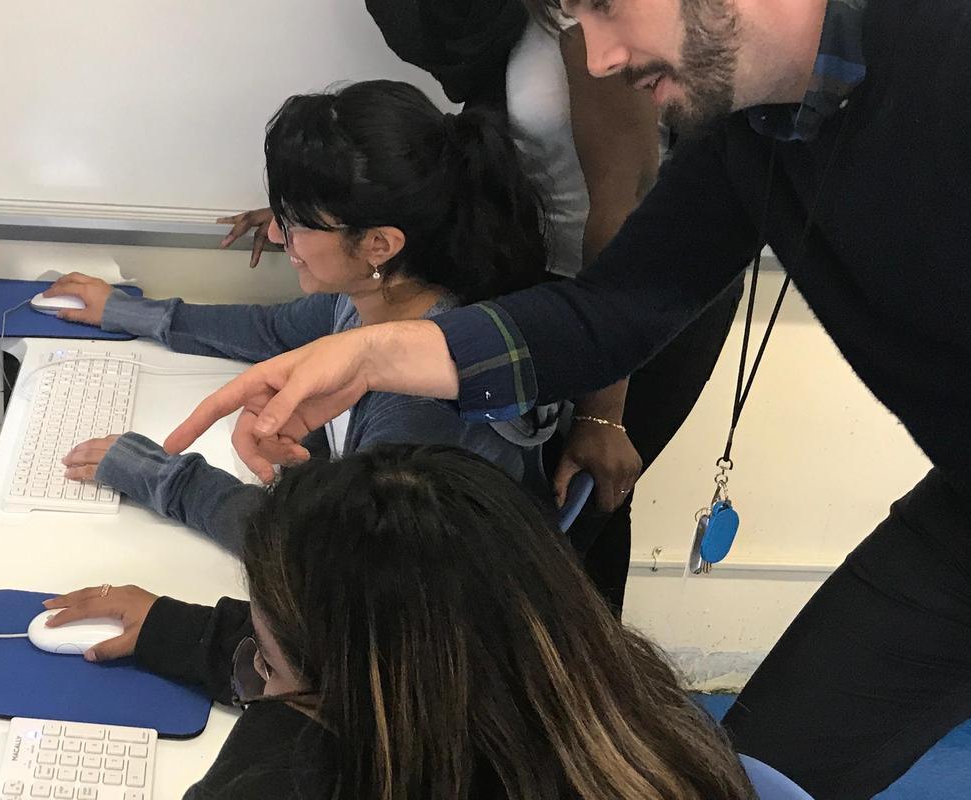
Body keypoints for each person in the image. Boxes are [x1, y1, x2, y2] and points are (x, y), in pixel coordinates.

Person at [159, 0, 971, 793]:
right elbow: (618, 308)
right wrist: (385, 351)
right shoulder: (751, 126)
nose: (597, 57)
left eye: (606, 5)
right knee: (720, 777)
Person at [218, 0, 742, 609]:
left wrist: (603, 414)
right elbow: (480, 138)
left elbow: (622, 210)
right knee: (524, 509)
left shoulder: (592, 25)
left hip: (624, 303)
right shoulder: (521, 21)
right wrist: (317, 215)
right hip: (536, 274)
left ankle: (578, 658)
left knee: (579, 516)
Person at [43, 445, 755, 799]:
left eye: (265, 664)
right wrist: (175, 629)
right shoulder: (616, 698)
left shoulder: (293, 779)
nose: (262, 679)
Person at [41, 80, 562, 553]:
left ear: (379, 245)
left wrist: (162, 477)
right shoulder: (376, 297)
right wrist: (128, 311)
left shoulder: (415, 414)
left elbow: (315, 554)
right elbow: (270, 330)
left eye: (296, 223)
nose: (274, 235)